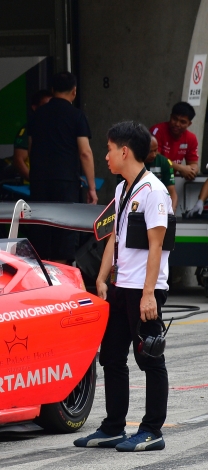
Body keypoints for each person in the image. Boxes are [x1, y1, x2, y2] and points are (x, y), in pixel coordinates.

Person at [75, 121, 172, 452]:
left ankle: (152, 430)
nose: (106, 156)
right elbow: (115, 237)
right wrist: (103, 277)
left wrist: (148, 294)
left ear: (125, 151)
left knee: (150, 358)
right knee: (112, 356)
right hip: (120, 287)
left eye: (109, 149)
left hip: (145, 290)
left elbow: (156, 246)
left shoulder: (154, 192)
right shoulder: (121, 190)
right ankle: (114, 426)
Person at [27, 71, 97, 264]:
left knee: (40, 227)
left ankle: (41, 274)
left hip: (39, 181)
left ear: (52, 90)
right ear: (74, 92)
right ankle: (61, 275)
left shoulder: (37, 115)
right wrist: (91, 187)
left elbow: (31, 148)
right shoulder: (76, 116)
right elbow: (85, 152)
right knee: (65, 228)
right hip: (66, 181)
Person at [150, 102, 199, 181]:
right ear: (170, 117)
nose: (177, 124)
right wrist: (180, 168)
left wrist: (192, 171)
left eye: (182, 122)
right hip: (152, 176)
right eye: (174, 119)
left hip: (171, 179)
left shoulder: (191, 138)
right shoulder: (157, 131)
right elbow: (156, 158)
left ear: (189, 124)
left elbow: (193, 163)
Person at [13, 89, 53, 182]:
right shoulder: (28, 129)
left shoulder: (57, 127)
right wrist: (35, 182)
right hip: (30, 188)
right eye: (46, 105)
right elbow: (18, 161)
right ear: (35, 107)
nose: (49, 109)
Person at [144, 136, 177, 208]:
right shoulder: (130, 163)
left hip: (159, 204)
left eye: (155, 150)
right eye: (150, 151)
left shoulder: (164, 162)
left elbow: (172, 193)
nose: (153, 155)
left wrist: (171, 215)